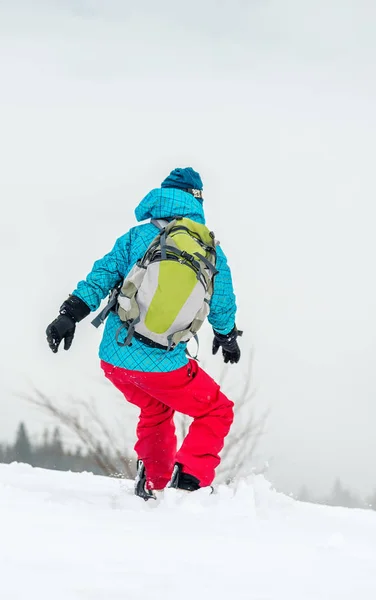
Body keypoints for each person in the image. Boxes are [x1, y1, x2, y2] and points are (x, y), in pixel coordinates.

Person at [45, 167, 241, 499]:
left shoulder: (137, 237)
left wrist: (69, 315)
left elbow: (102, 276)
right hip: (164, 367)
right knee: (216, 409)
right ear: (198, 201)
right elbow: (222, 304)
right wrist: (227, 337)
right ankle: (188, 482)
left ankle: (153, 484)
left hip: (115, 360)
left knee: (155, 409)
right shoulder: (209, 249)